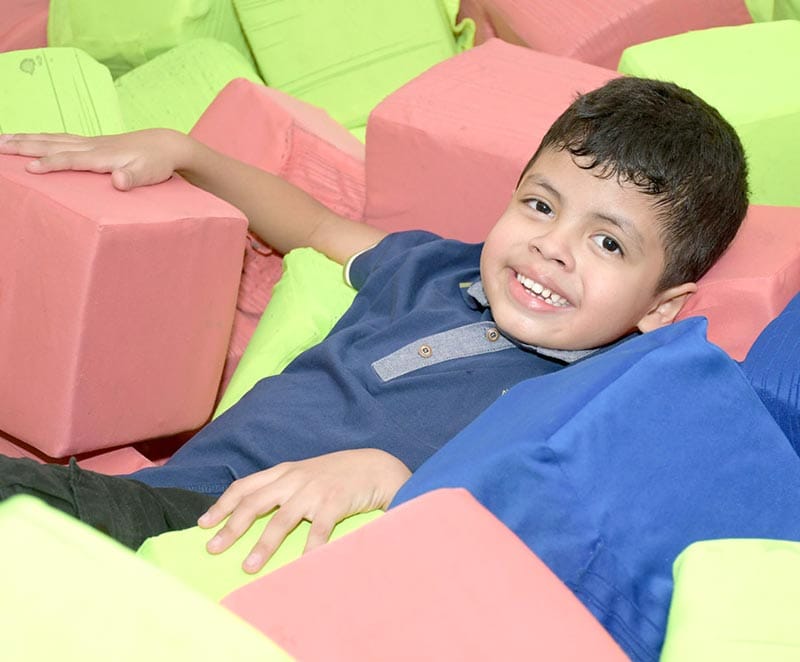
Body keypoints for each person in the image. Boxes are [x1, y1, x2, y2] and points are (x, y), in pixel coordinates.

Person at [0, 76, 748, 573]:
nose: (553, 246)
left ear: (660, 307)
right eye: (541, 205)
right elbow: (314, 225)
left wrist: (399, 481)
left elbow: (555, 530)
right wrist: (187, 153)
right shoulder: (432, 269)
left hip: (255, 551)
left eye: (608, 243)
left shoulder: (592, 397)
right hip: (165, 503)